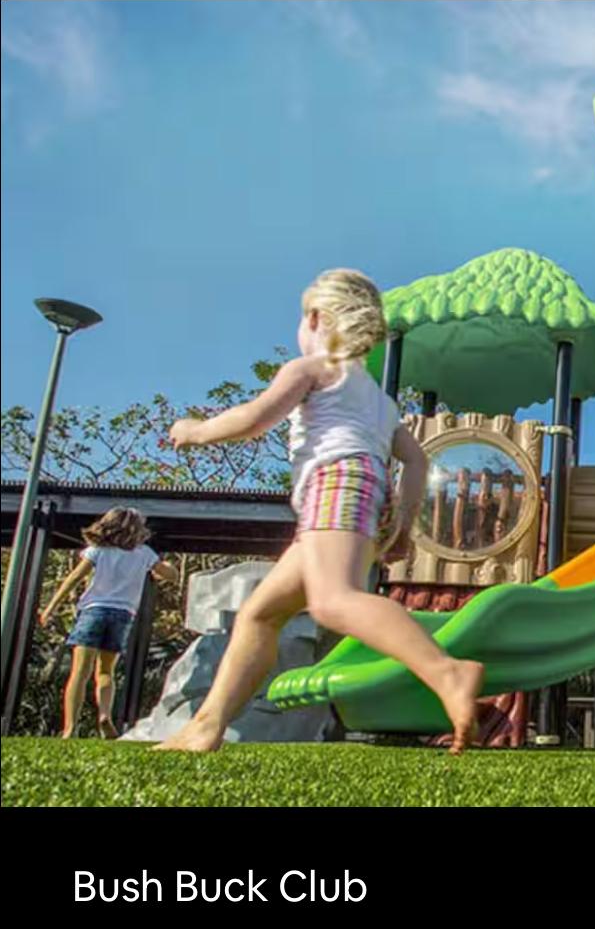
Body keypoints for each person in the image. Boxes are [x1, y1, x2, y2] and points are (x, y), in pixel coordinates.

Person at [157, 268, 483, 754]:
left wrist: (195, 431)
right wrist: (402, 527)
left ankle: (447, 672)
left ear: (315, 318)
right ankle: (207, 726)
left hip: (337, 484)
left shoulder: (312, 368)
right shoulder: (377, 399)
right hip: (365, 494)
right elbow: (415, 460)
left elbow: (254, 419)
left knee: (333, 600)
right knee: (261, 614)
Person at [39, 507, 177, 738]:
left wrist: (51, 606)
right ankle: (104, 715)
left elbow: (74, 578)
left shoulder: (98, 550)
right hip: (123, 615)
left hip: (93, 611)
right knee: (106, 672)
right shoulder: (144, 553)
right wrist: (168, 568)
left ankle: (70, 728)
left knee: (80, 673)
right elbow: (170, 575)